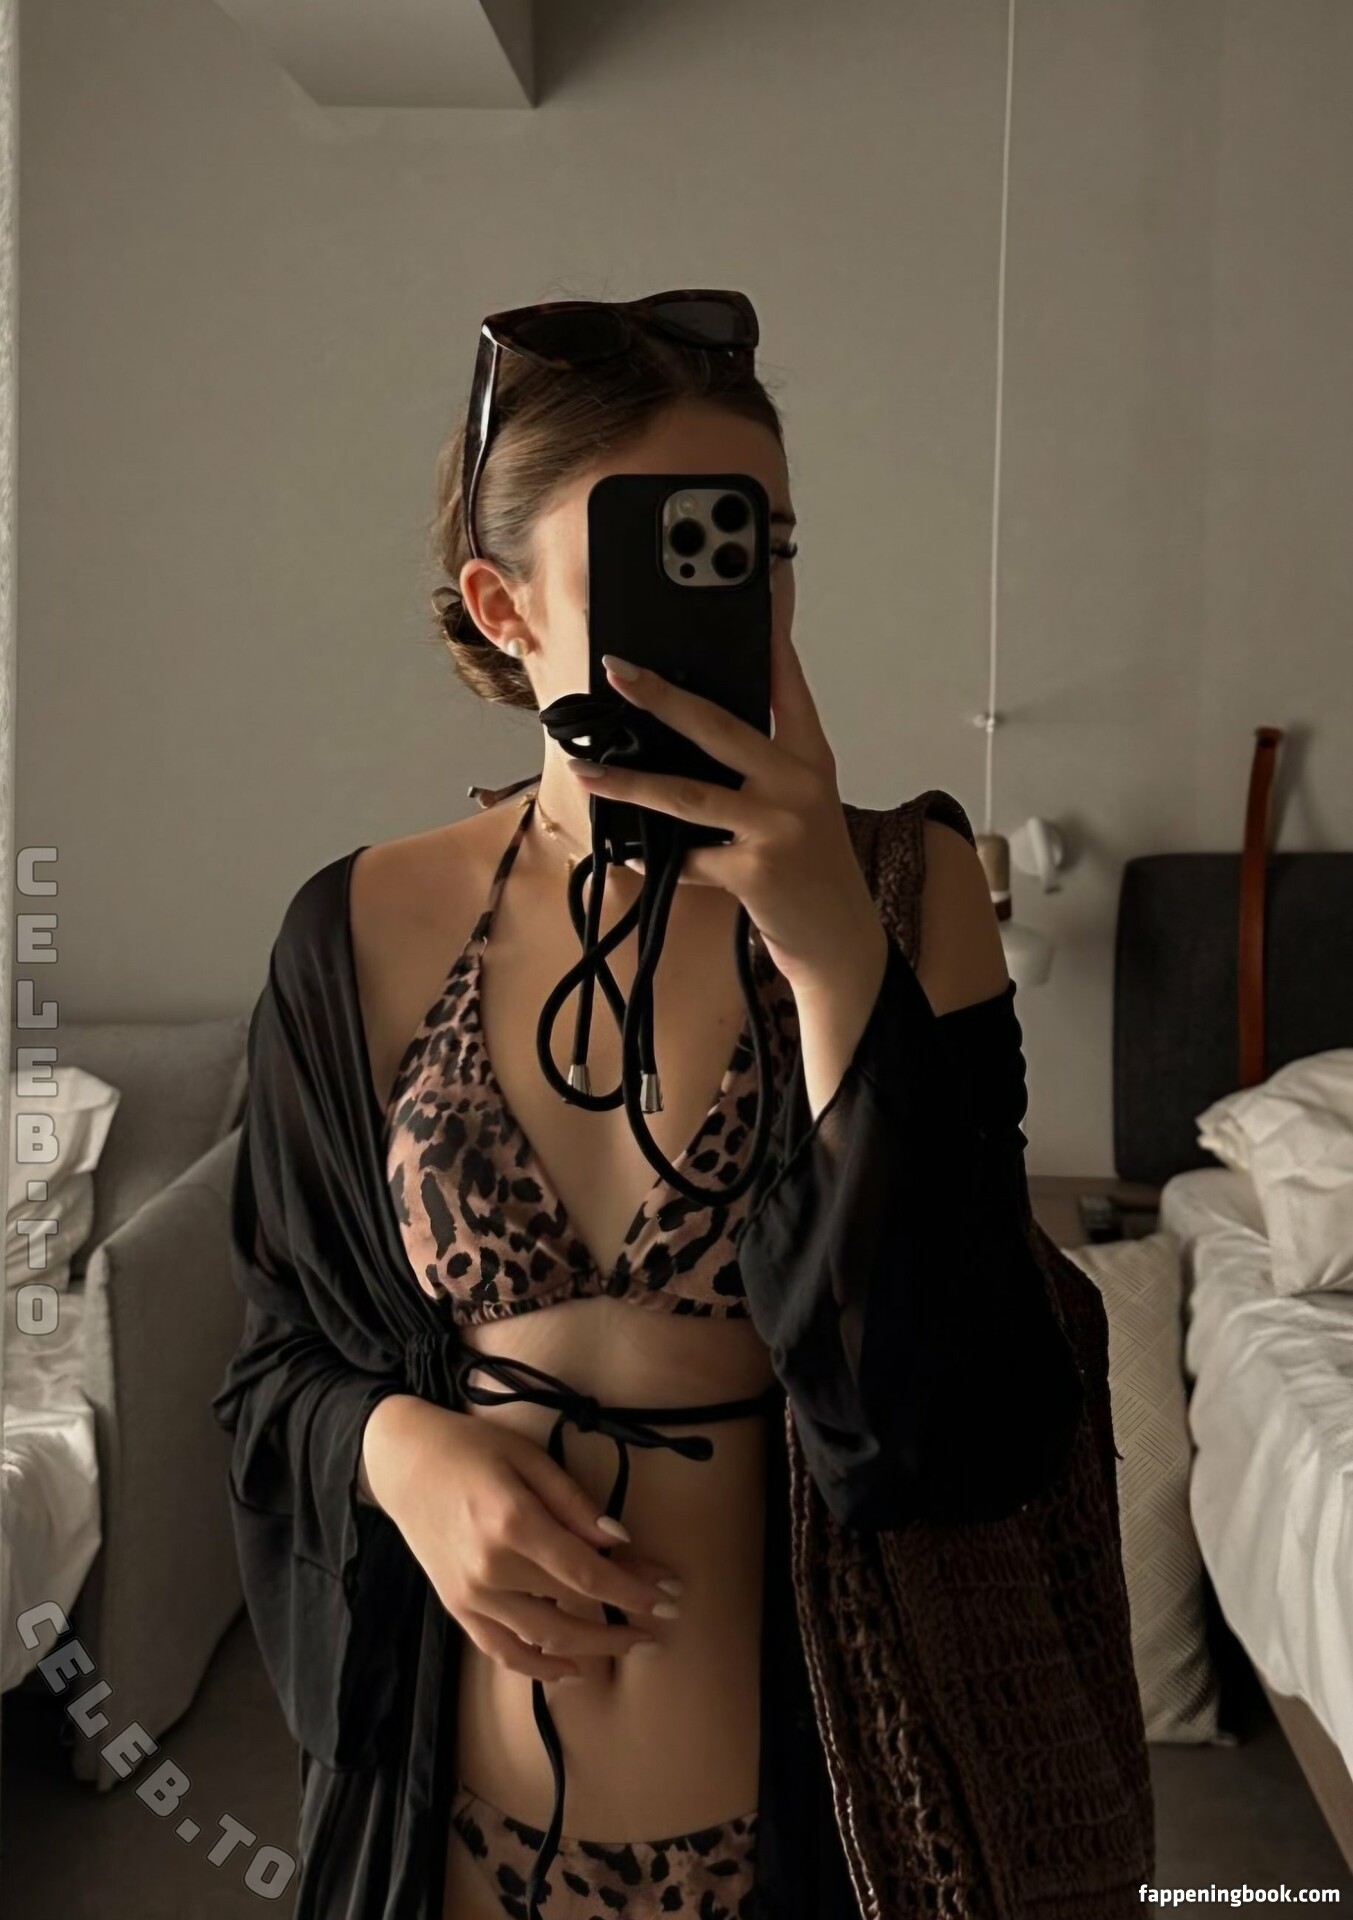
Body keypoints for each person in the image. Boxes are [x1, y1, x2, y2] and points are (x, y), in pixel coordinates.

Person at [213, 291, 1154, 1920]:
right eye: (659, 552)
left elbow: (958, 1433)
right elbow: (274, 1364)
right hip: (447, 1840)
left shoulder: (908, 888)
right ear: (504, 608)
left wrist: (831, 955)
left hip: (829, 1838)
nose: (733, 591)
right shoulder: (357, 927)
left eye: (755, 546)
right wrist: (396, 1451)